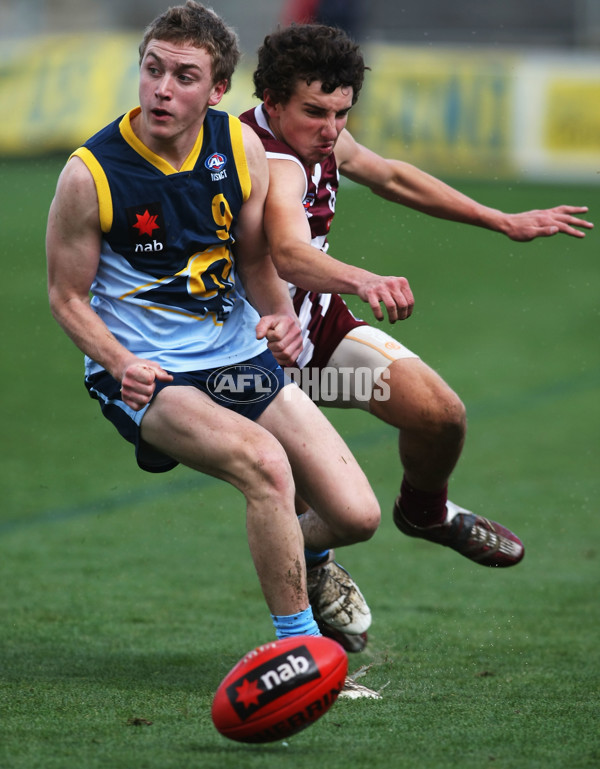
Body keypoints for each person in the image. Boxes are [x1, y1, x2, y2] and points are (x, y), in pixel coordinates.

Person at [46, 3, 385, 698]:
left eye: (184, 76)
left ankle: (304, 552)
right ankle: (302, 652)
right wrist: (119, 363)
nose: (162, 89)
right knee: (266, 466)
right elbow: (66, 297)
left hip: (232, 356)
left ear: (217, 89)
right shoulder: (91, 174)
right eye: (153, 69)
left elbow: (256, 258)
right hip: (149, 375)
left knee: (356, 514)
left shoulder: (240, 148)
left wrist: (281, 318)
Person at [240, 23, 594, 651]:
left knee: (441, 416)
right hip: (250, 352)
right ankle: (310, 582)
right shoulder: (264, 156)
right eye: (315, 112)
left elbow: (391, 177)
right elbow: (289, 253)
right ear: (270, 100)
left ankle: (423, 511)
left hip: (313, 329)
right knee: (337, 511)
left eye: (342, 114)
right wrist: (363, 278)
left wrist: (500, 219)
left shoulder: (322, 138)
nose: (331, 130)